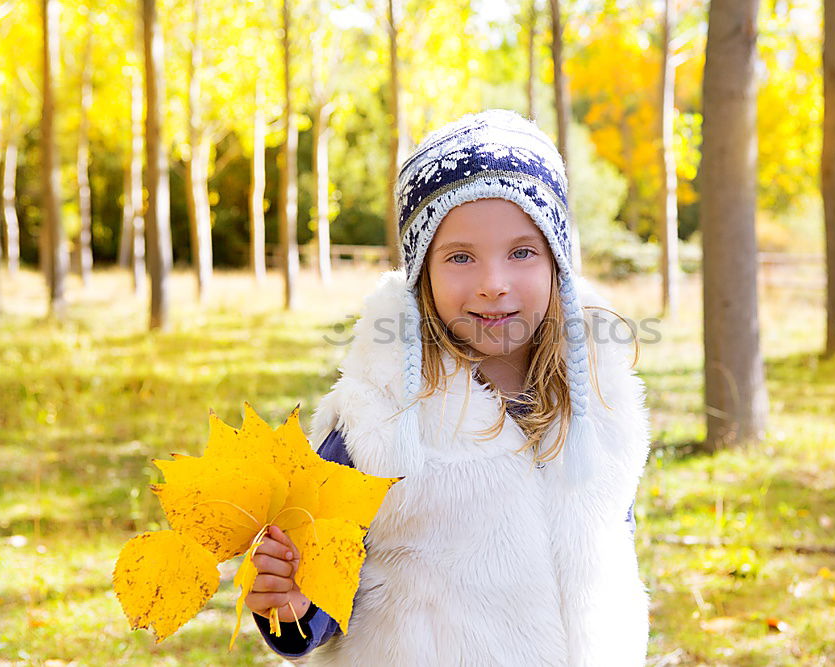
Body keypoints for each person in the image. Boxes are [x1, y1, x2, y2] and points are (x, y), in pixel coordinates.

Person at [244, 109, 651, 665]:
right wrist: (294, 606)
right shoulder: (376, 420)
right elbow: (317, 590)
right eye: (460, 257)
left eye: (522, 251)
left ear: (557, 264)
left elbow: (609, 546)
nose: (493, 284)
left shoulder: (599, 405)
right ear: (421, 275)